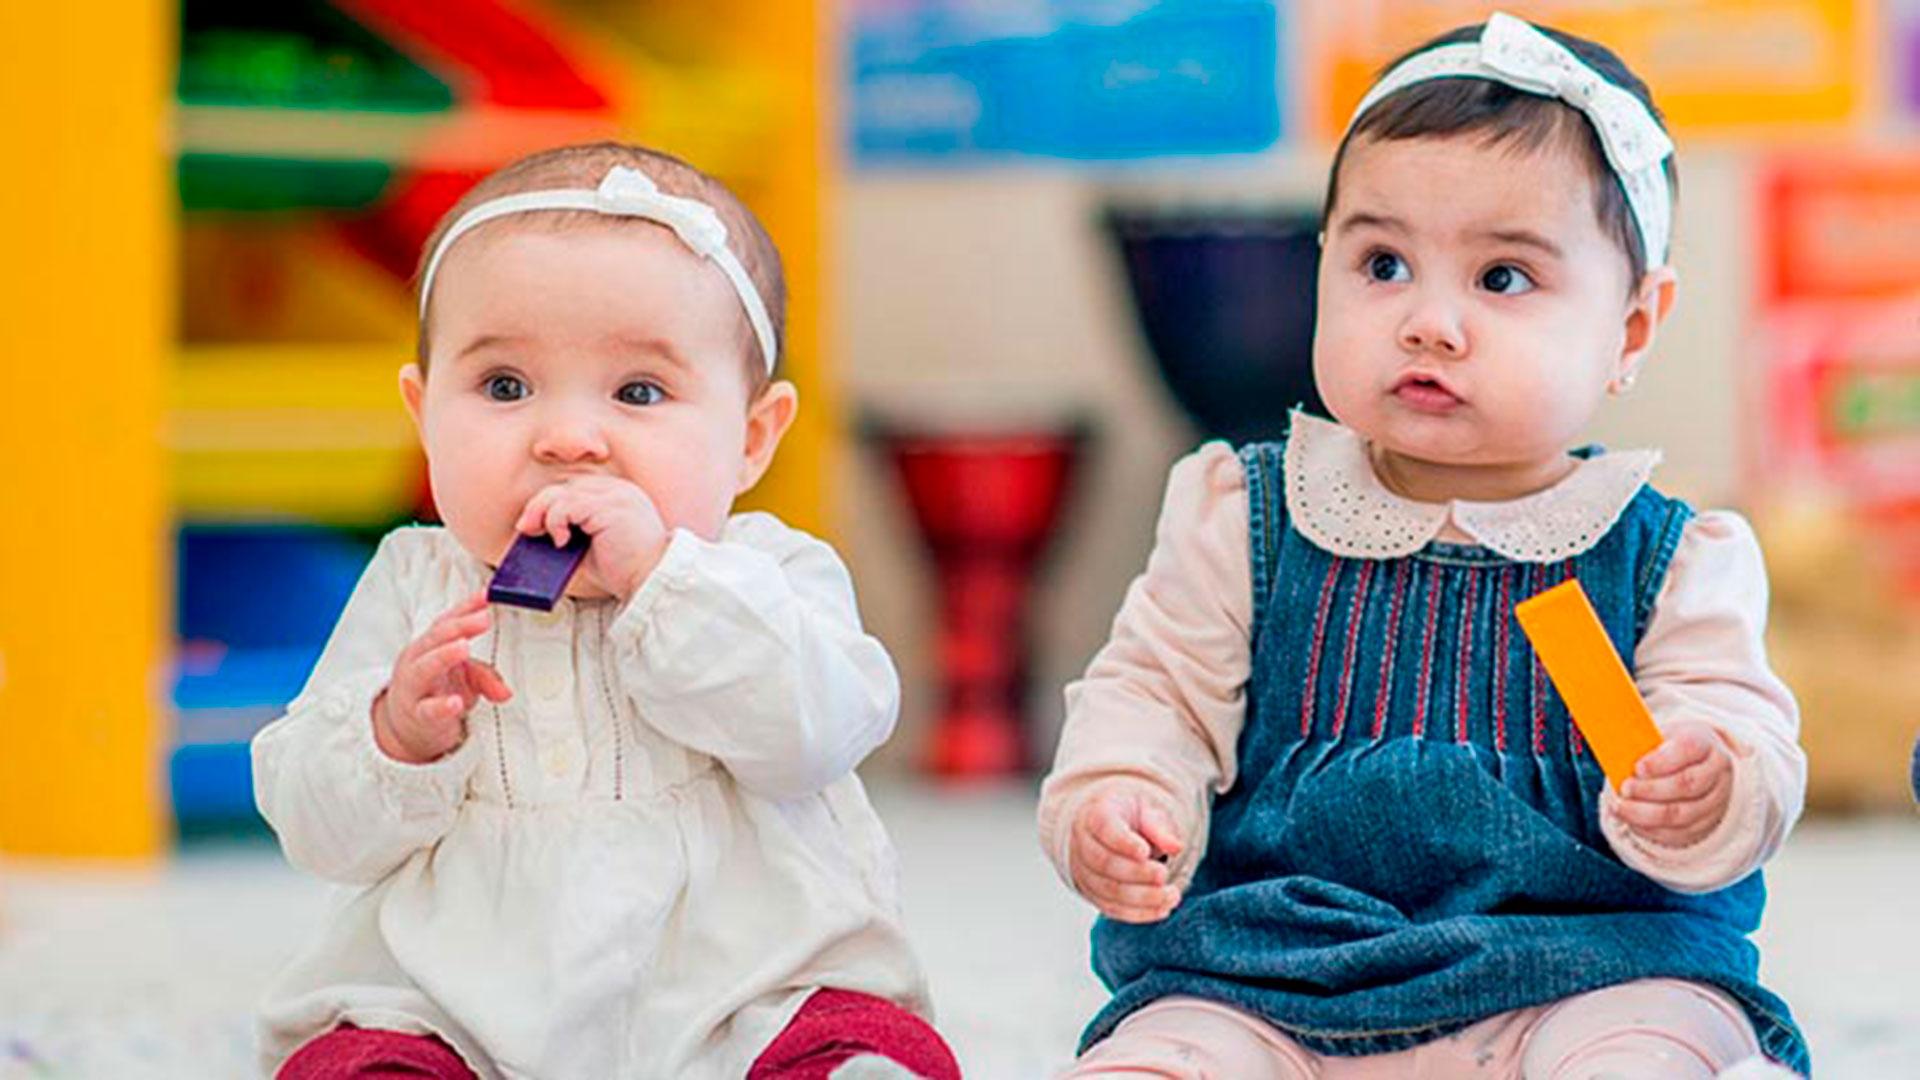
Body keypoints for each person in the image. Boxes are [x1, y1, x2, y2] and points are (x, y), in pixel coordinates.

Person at [1039, 14, 1809, 1078]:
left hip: (1582, 969)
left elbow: (1735, 723)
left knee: (1661, 1041)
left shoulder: (1670, 558)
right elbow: (1154, 693)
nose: (1429, 323)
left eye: (1502, 279)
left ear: (1632, 327)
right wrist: (1123, 793)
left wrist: (1708, 787)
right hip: (1275, 975)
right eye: (1383, 263)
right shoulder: (1241, 513)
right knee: (1166, 1054)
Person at [253, 142, 958, 1080]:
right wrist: (391, 732)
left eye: (638, 392)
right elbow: (315, 829)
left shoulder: (770, 571)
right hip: (455, 1005)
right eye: (504, 387)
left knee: (861, 1051)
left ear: (750, 439)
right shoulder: (415, 584)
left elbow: (820, 732)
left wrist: (663, 580)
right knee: (355, 1062)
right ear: (424, 416)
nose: (569, 439)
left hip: (749, 993)